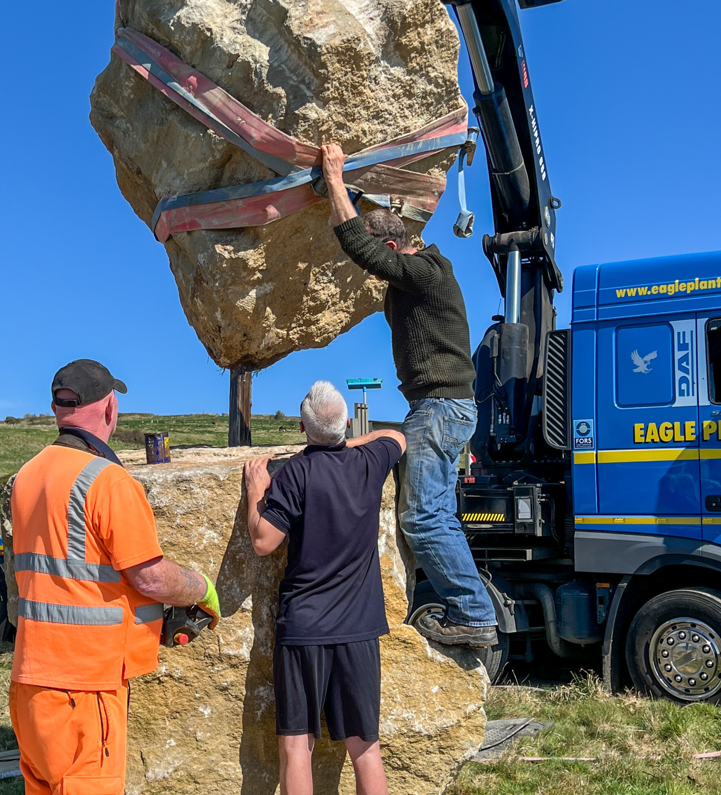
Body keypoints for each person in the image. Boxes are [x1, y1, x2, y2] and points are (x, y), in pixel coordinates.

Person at [8, 358, 222, 795]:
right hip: (84, 685)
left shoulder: (28, 475)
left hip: (31, 679)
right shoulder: (106, 480)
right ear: (109, 409)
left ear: (58, 407)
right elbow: (150, 578)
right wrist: (201, 588)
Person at [319, 142, 498, 648]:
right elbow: (369, 244)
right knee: (430, 511)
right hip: (441, 407)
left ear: (396, 251)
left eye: (383, 265)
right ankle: (463, 607)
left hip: (440, 407)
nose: (377, 276)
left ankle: (472, 613)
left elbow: (361, 246)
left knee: (424, 515)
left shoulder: (425, 272)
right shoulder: (423, 275)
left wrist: (334, 178)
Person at [243, 380, 406, 795]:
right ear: (347, 424)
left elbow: (264, 541)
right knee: (366, 749)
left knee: (297, 747)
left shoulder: (295, 472)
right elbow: (397, 436)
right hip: (359, 628)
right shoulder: (371, 461)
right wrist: (350, 442)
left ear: (302, 428)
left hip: (304, 628)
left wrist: (255, 493)